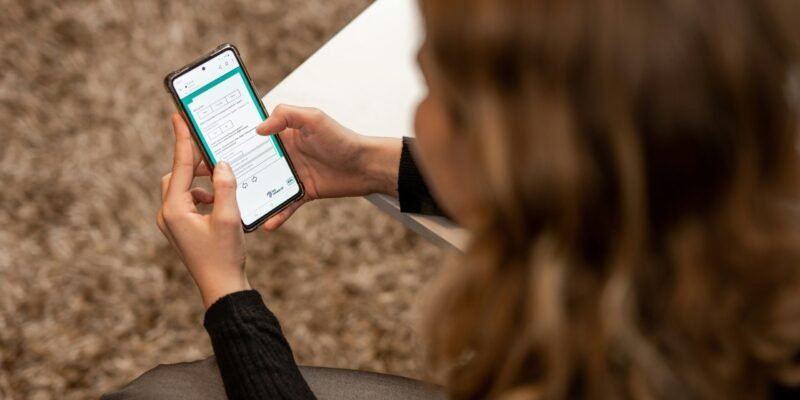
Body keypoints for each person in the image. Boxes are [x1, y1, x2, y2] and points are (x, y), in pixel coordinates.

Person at [108, 0, 800, 398]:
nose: (422, 115)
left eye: (434, 88)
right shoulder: (720, 204)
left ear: (518, 151)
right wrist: (378, 166)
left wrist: (228, 294)